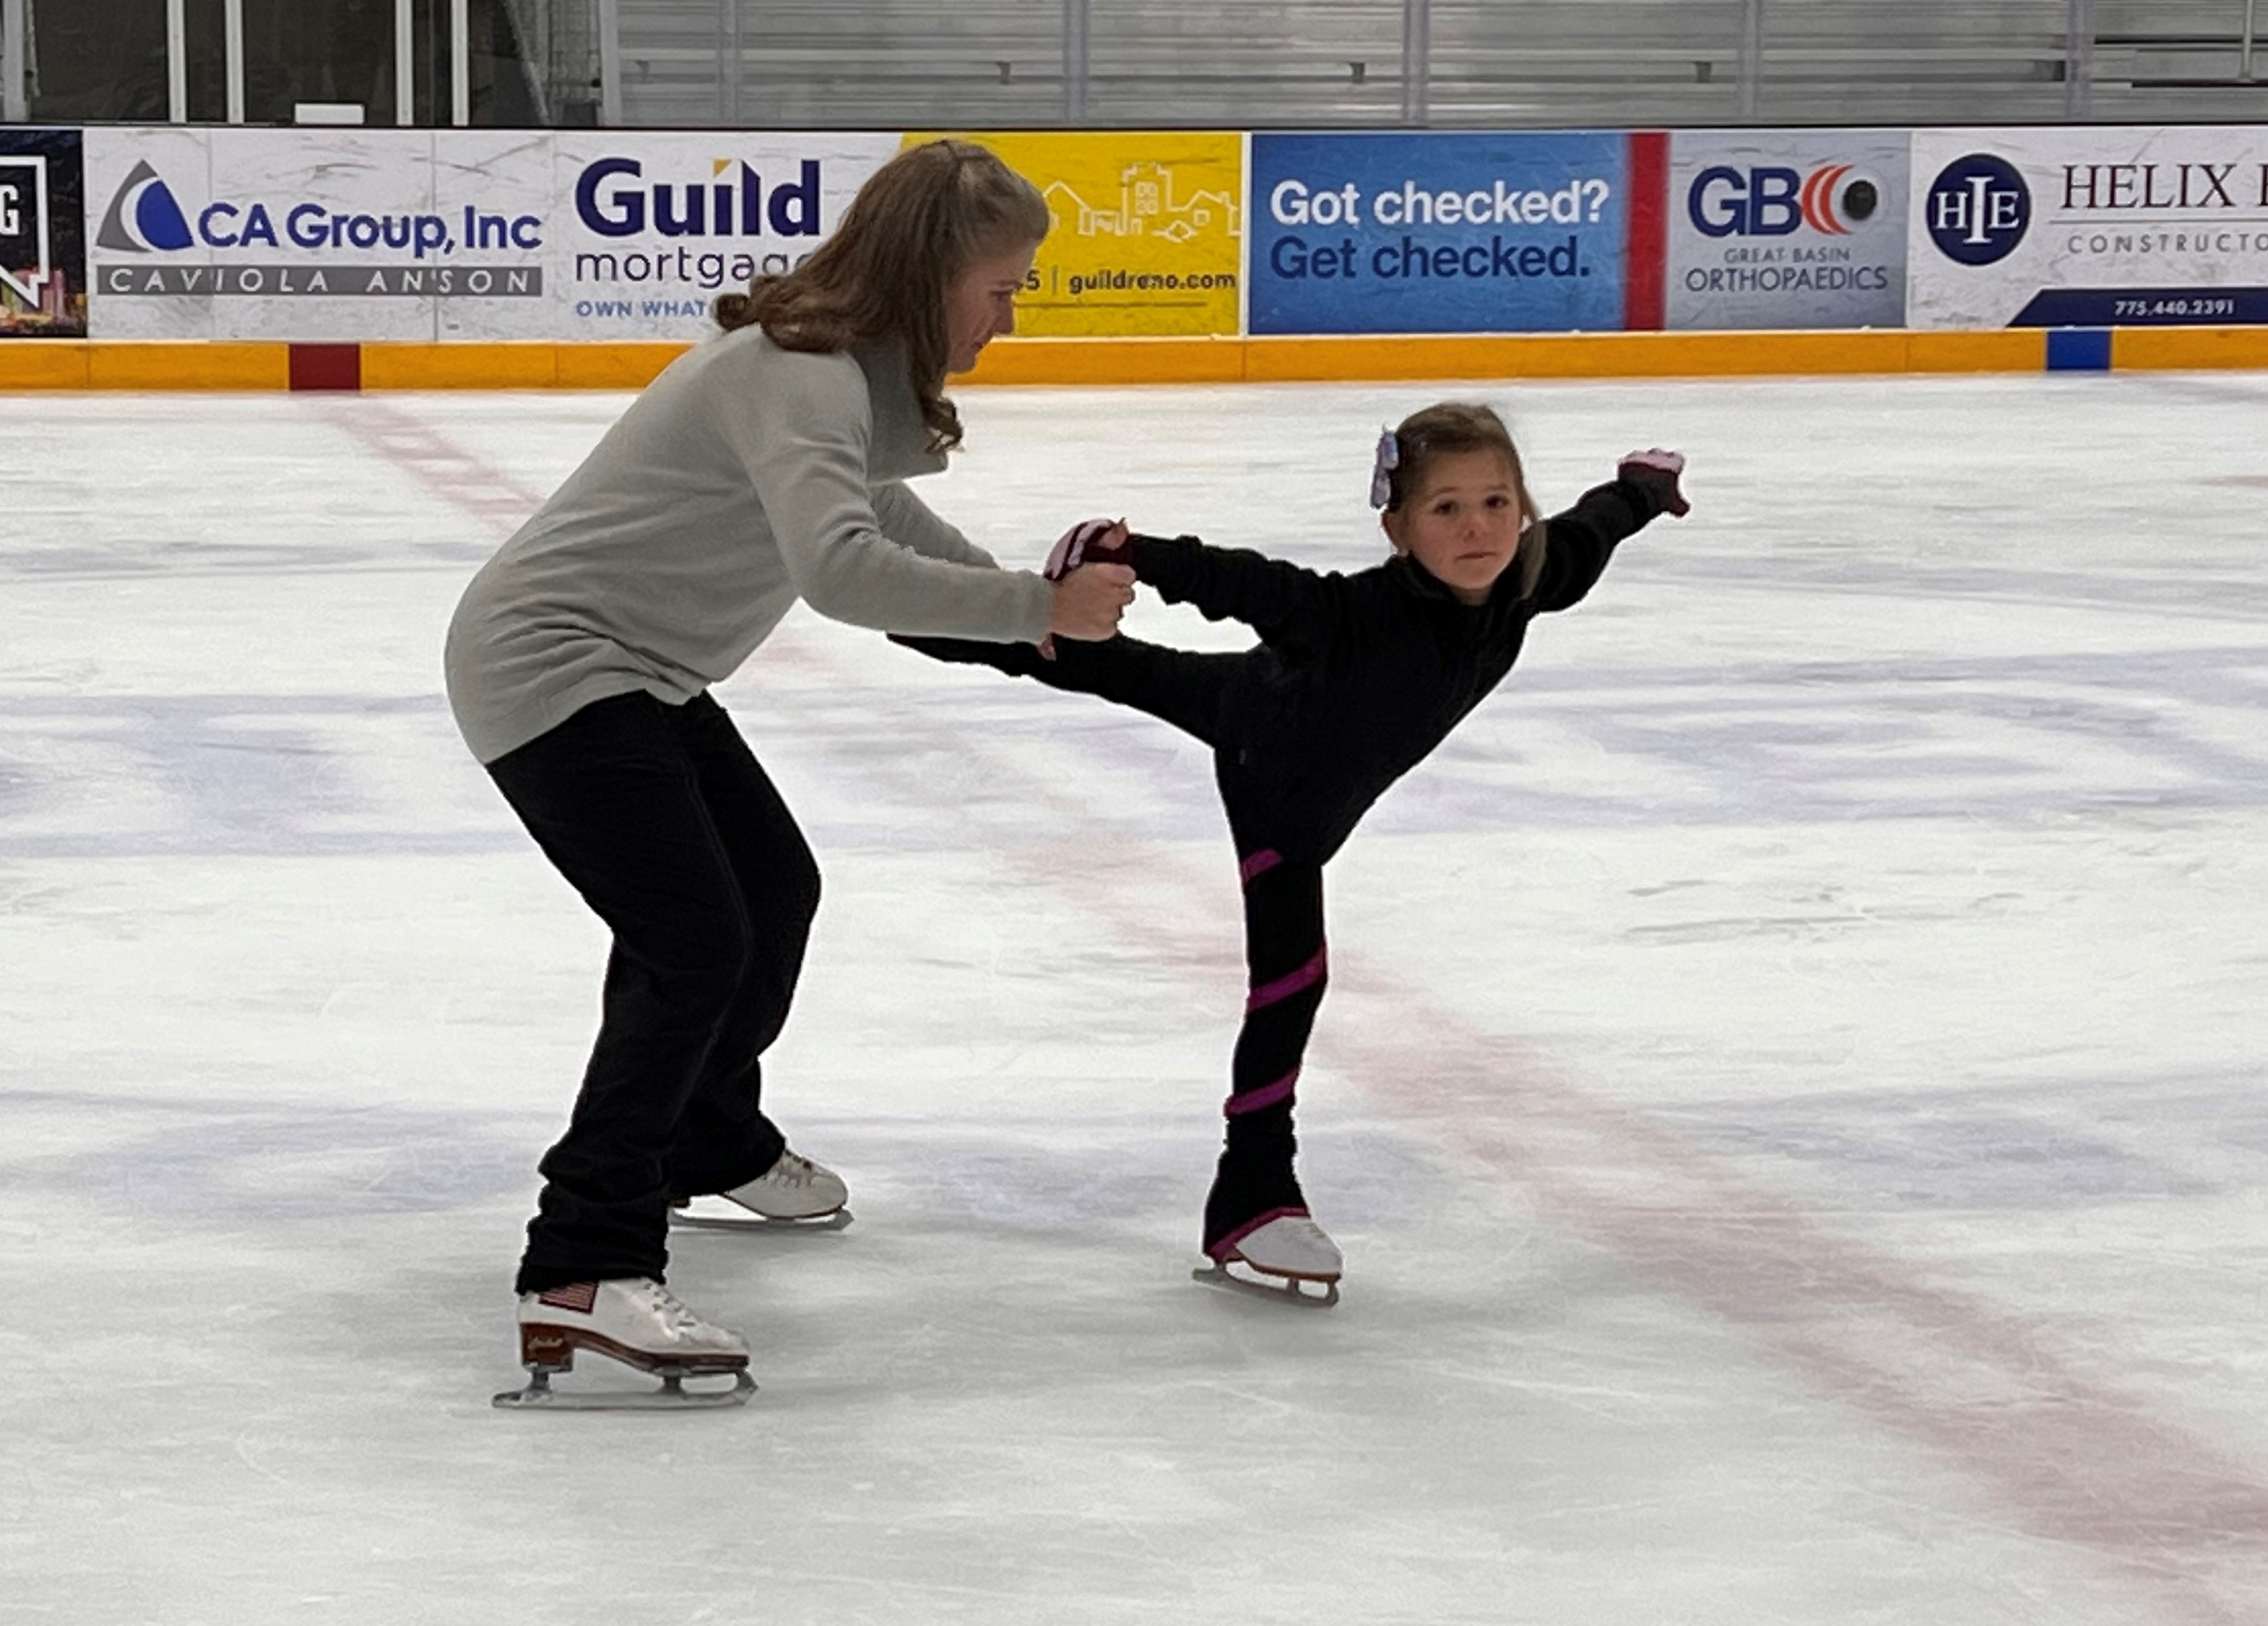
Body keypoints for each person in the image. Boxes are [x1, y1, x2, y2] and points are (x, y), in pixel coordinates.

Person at [444, 140, 1137, 1406]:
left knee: (772, 887)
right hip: (553, 663)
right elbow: (841, 570)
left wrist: (1029, 625)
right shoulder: (802, 375)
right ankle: (586, 1258)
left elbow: (888, 534)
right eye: (1003, 284)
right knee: (695, 934)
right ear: (933, 276)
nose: (1011, 311)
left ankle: (706, 1135)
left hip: (636, 670)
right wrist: (1032, 599)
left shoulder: (840, 374)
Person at [898, 404, 1690, 1303]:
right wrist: (1139, 552)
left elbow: (1596, 525)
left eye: (1497, 502)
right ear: (1395, 526)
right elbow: (1253, 586)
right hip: (1276, 778)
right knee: (1288, 983)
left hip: (1269, 719)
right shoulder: (1351, 613)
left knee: (1092, 661)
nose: (1477, 527)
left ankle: (935, 614)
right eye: (1444, 509)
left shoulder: (1536, 574)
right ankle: (1252, 1197)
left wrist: (1640, 489)